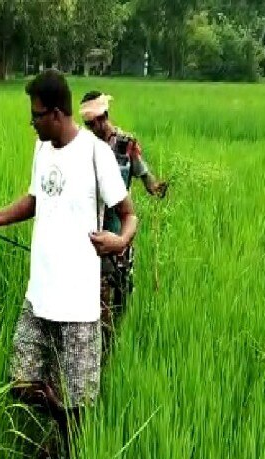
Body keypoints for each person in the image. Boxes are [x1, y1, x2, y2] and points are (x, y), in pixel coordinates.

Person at [0, 70, 138, 459]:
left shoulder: (96, 154)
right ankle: (61, 427)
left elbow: (128, 214)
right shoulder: (42, 150)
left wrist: (120, 240)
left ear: (58, 113)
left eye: (37, 115)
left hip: (78, 300)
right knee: (22, 383)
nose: (32, 122)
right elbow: (34, 200)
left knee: (79, 398)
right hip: (39, 293)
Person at [79, 91, 167, 355]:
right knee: (100, 287)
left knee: (122, 286)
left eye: (95, 122)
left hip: (120, 225)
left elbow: (143, 174)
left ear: (105, 116)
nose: (93, 128)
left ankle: (116, 341)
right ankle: (101, 344)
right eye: (88, 124)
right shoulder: (84, 146)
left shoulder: (126, 144)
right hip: (94, 226)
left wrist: (155, 186)